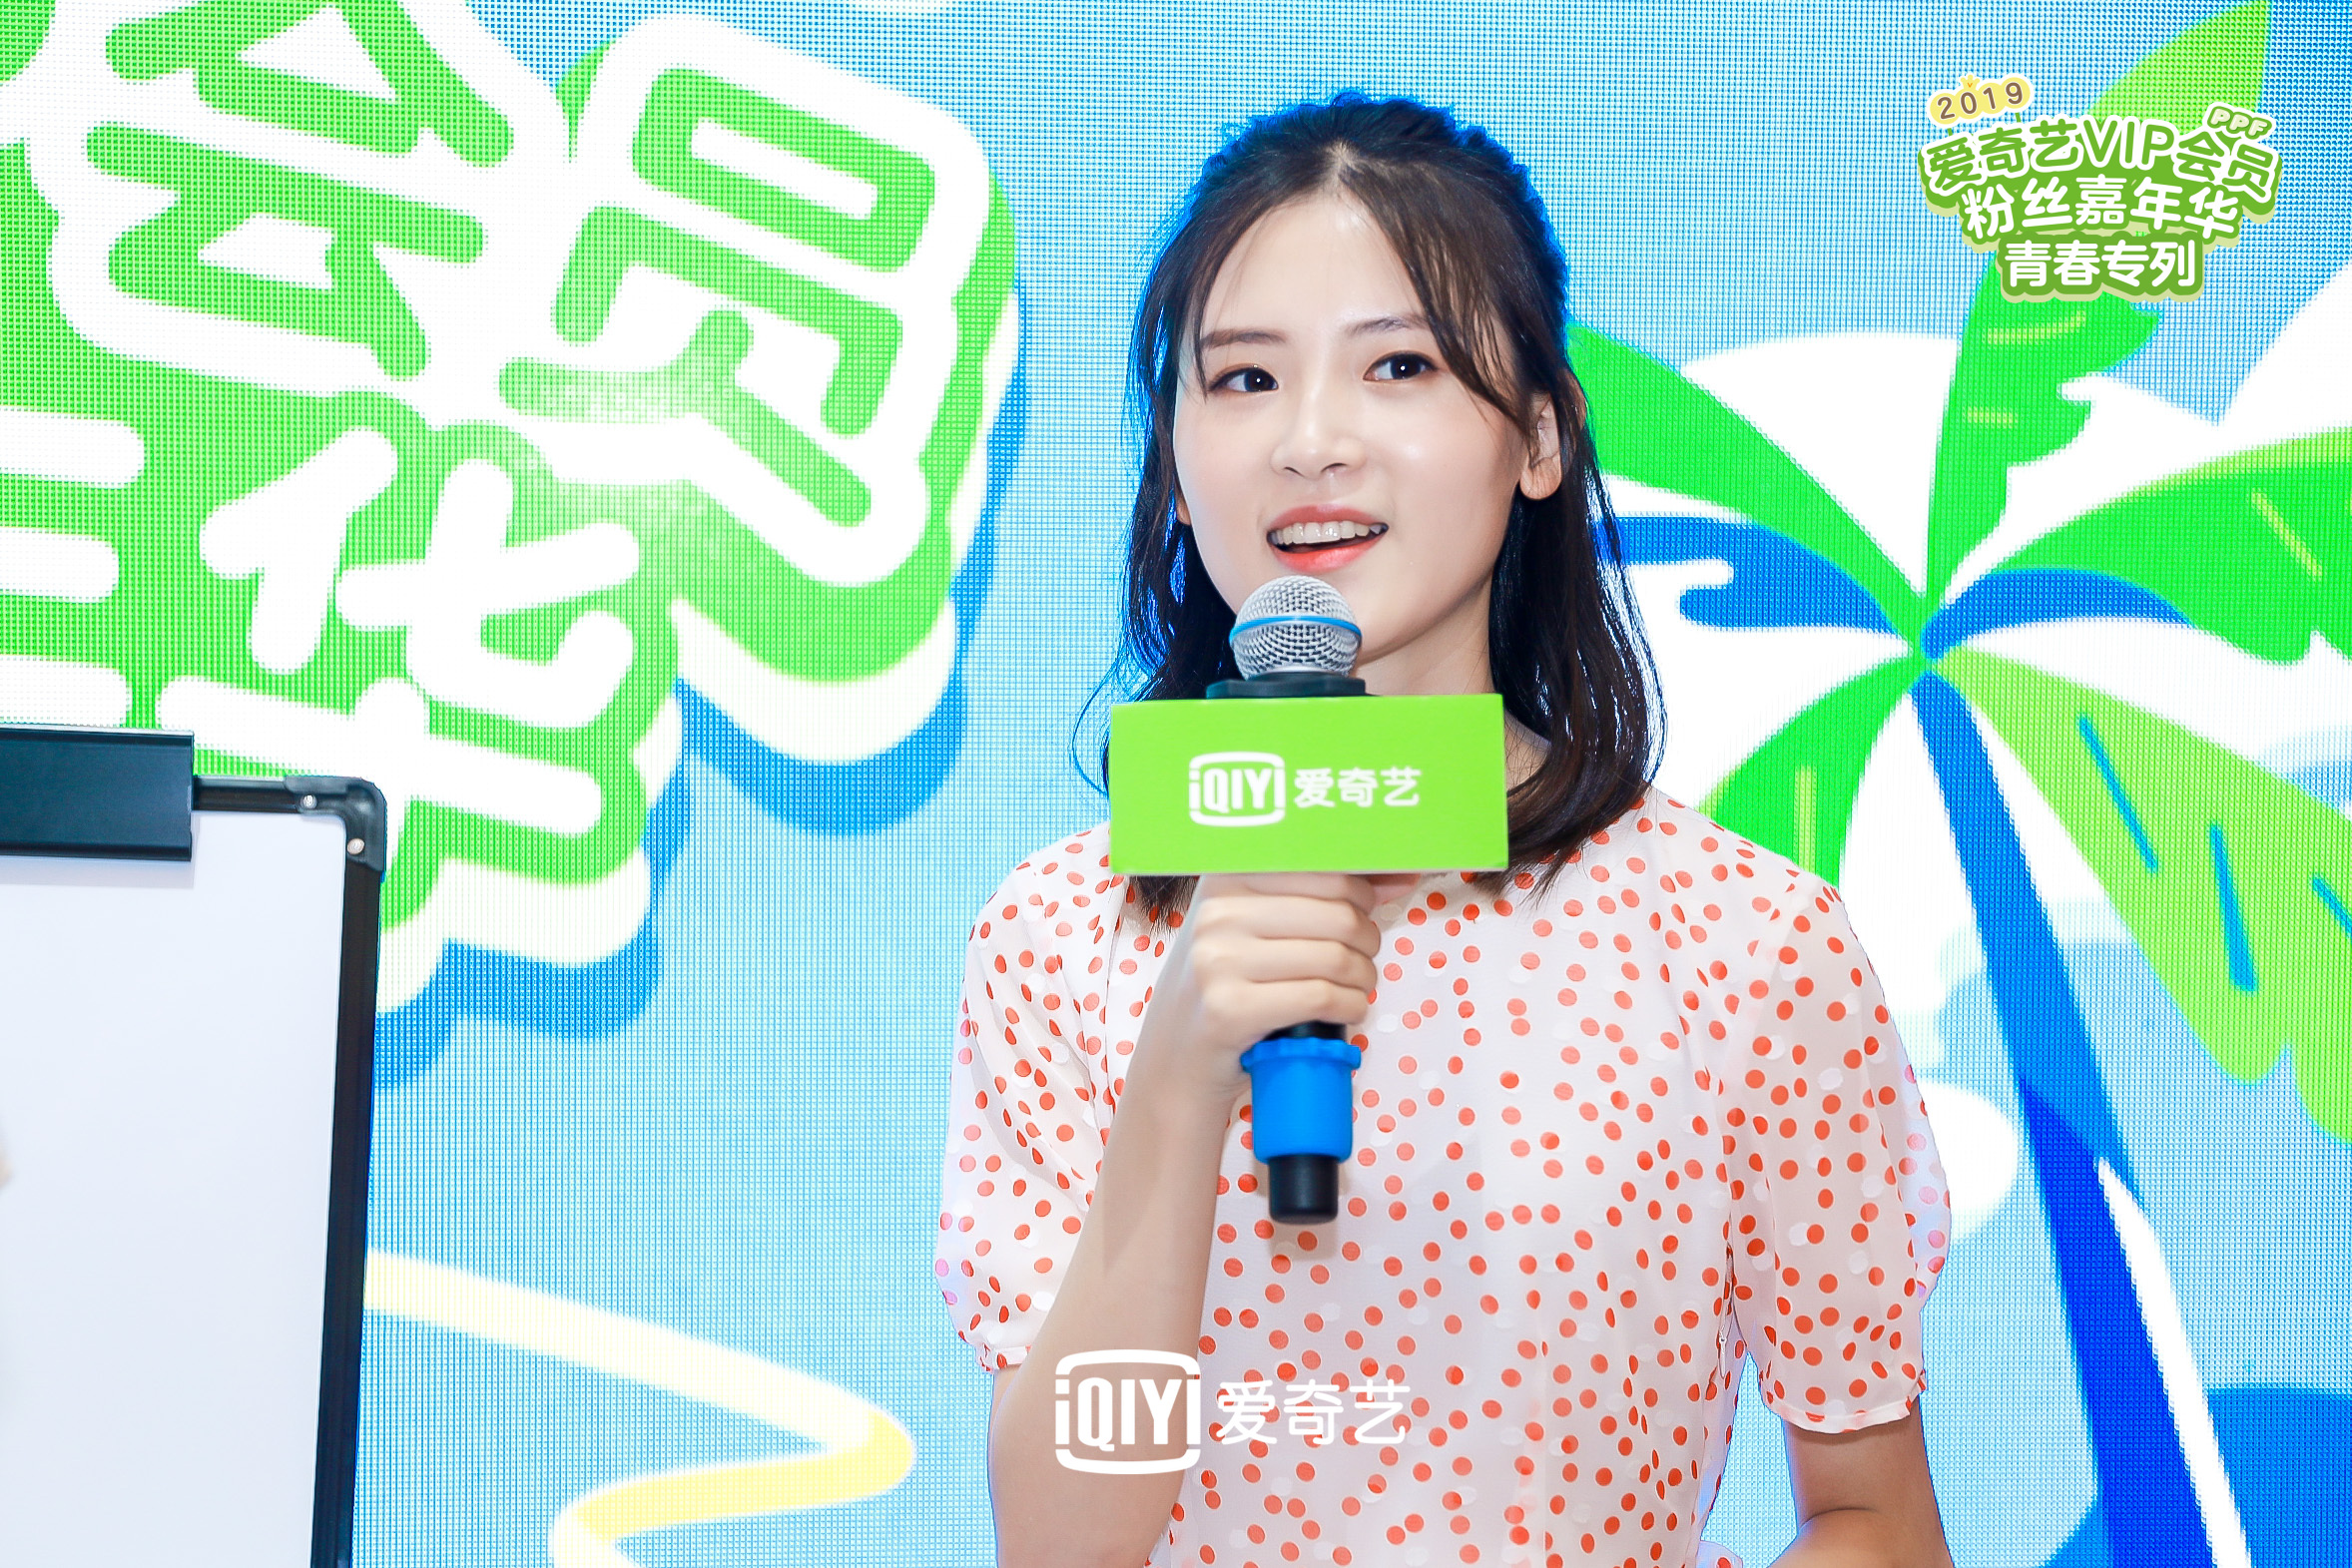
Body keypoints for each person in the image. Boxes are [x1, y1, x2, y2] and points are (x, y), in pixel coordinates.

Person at [934, 94, 1953, 1568]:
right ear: (1176, 463)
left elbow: (1873, 1518)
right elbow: (1060, 1546)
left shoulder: (1745, 942)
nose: (1310, 442)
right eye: (1243, 379)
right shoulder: (1056, 938)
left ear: (1539, 436)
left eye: (1399, 365)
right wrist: (1176, 1077)